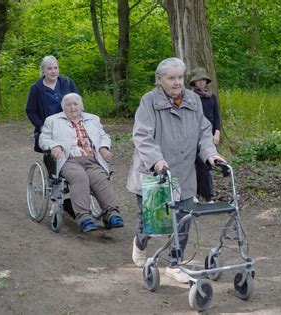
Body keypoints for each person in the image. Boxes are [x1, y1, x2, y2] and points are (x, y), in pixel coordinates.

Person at [127, 57, 225, 283]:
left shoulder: (193, 100)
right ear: (159, 79)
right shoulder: (149, 101)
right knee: (152, 223)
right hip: (155, 173)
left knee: (183, 220)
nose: (177, 82)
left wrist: (210, 153)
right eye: (171, 78)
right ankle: (140, 242)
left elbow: (204, 130)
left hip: (184, 172)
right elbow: (142, 135)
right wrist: (157, 160)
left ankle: (174, 263)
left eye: (180, 77)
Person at [39, 93, 124, 232]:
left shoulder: (93, 119)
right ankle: (84, 216)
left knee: (100, 177)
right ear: (63, 107)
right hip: (68, 159)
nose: (73, 107)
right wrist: (54, 145)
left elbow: (103, 136)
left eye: (76, 104)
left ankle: (112, 213)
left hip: (91, 159)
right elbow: (43, 139)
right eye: (68, 104)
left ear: (81, 106)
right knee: (80, 177)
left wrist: (103, 148)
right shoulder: (53, 120)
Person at [26, 55, 79, 152]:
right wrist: (42, 127)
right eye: (49, 68)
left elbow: (78, 104)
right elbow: (31, 111)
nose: (53, 71)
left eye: (56, 68)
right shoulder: (36, 88)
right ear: (43, 70)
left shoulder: (67, 83)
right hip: (50, 130)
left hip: (70, 127)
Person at [189, 67, 222, 203]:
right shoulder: (191, 97)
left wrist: (217, 132)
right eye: (198, 80)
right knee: (196, 165)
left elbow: (216, 115)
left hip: (210, 135)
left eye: (203, 80)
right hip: (195, 135)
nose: (201, 83)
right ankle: (195, 194)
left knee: (207, 165)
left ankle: (208, 195)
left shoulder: (212, 97)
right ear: (194, 82)